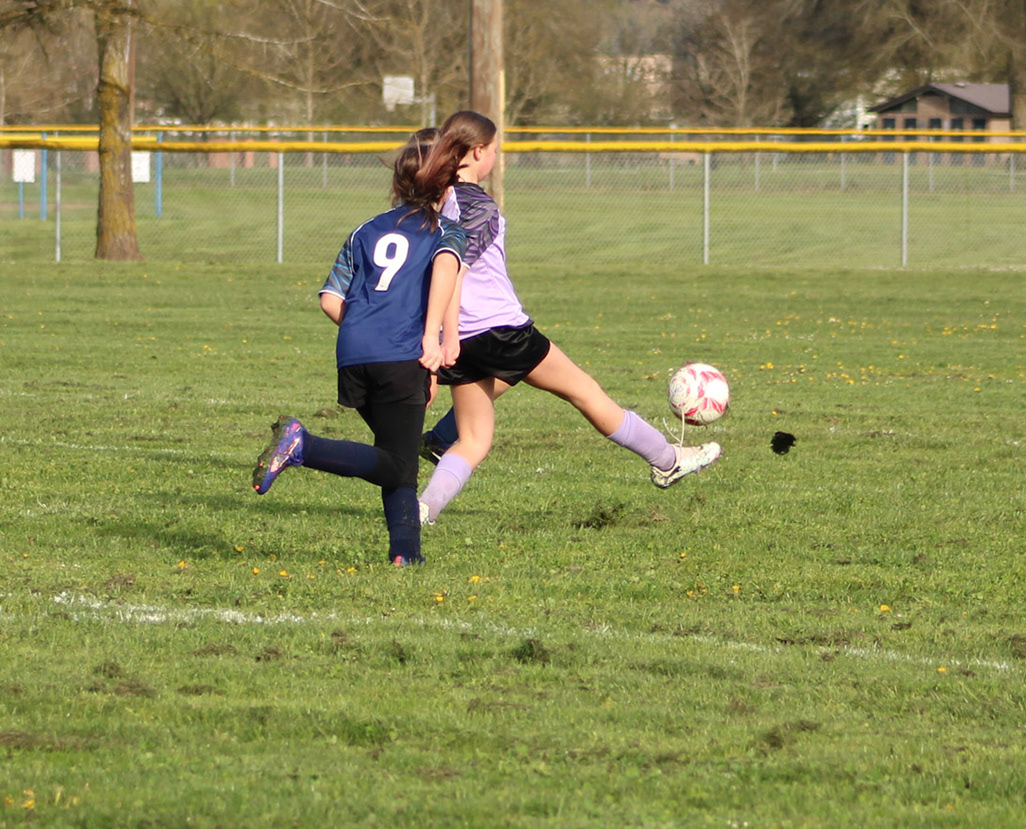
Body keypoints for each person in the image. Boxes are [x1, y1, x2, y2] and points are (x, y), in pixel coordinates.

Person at [414, 111, 719, 524]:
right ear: (479, 151)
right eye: (496, 151)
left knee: (472, 439)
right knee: (586, 393)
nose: (497, 159)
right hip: (500, 330)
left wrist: (443, 335)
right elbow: (453, 271)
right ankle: (667, 460)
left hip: (464, 340)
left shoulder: (438, 199)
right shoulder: (478, 206)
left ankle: (423, 509)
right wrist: (445, 335)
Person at [250, 129, 465, 565]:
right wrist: (434, 338)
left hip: (353, 352)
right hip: (402, 355)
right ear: (445, 187)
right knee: (399, 465)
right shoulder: (447, 231)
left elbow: (331, 300)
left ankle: (405, 553)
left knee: (395, 457)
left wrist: (368, 328)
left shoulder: (363, 231)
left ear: (399, 183)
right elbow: (445, 268)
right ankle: (303, 445)